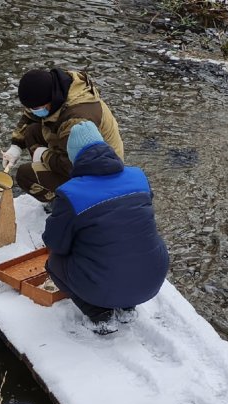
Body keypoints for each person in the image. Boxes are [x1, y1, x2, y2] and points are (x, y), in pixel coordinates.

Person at [42, 121, 168, 334]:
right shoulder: (138, 176)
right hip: (153, 279)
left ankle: (99, 314)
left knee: (54, 263)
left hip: (104, 285)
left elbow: (55, 243)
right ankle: (127, 307)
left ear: (75, 158)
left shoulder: (71, 193)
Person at [2, 68, 124, 203]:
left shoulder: (76, 120)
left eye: (36, 108)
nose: (32, 111)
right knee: (31, 132)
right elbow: (31, 114)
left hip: (99, 172)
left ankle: (64, 202)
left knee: (25, 175)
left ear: (50, 101)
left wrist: (44, 156)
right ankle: (53, 180)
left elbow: (71, 165)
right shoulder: (58, 88)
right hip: (75, 149)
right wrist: (16, 146)